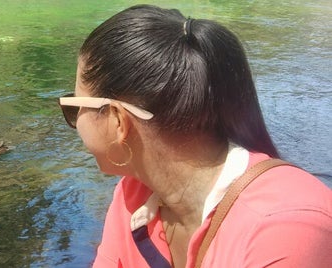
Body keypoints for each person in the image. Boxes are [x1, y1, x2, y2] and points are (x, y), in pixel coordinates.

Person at [57, 4, 332, 268]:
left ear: (118, 120)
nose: (76, 119)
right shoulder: (134, 196)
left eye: (76, 106)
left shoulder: (286, 229)